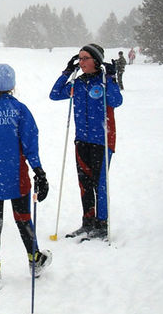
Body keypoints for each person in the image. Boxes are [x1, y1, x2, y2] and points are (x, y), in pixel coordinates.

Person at [0, 64, 52, 292]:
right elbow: (30, 143)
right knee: (23, 218)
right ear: (12, 86)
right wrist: (39, 171)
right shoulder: (20, 110)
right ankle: (34, 259)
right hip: (17, 177)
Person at [49, 43, 123, 240]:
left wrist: (111, 78)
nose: (81, 62)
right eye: (79, 59)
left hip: (103, 140)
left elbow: (116, 101)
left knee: (100, 184)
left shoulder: (104, 82)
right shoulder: (78, 83)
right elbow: (54, 95)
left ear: (96, 61)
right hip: (81, 140)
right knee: (85, 183)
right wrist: (66, 72)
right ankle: (88, 221)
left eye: (85, 58)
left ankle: (102, 224)